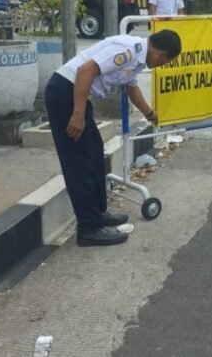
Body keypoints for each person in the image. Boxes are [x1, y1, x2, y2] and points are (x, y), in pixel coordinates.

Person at [45, 30, 182, 246]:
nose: (161, 66)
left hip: (76, 93)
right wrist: (78, 113)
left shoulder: (137, 59)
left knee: (95, 156)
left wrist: (149, 114)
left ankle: (98, 214)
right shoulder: (128, 50)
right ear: (161, 54)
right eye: (165, 62)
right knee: (80, 164)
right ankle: (88, 230)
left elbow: (132, 88)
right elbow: (85, 70)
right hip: (66, 92)